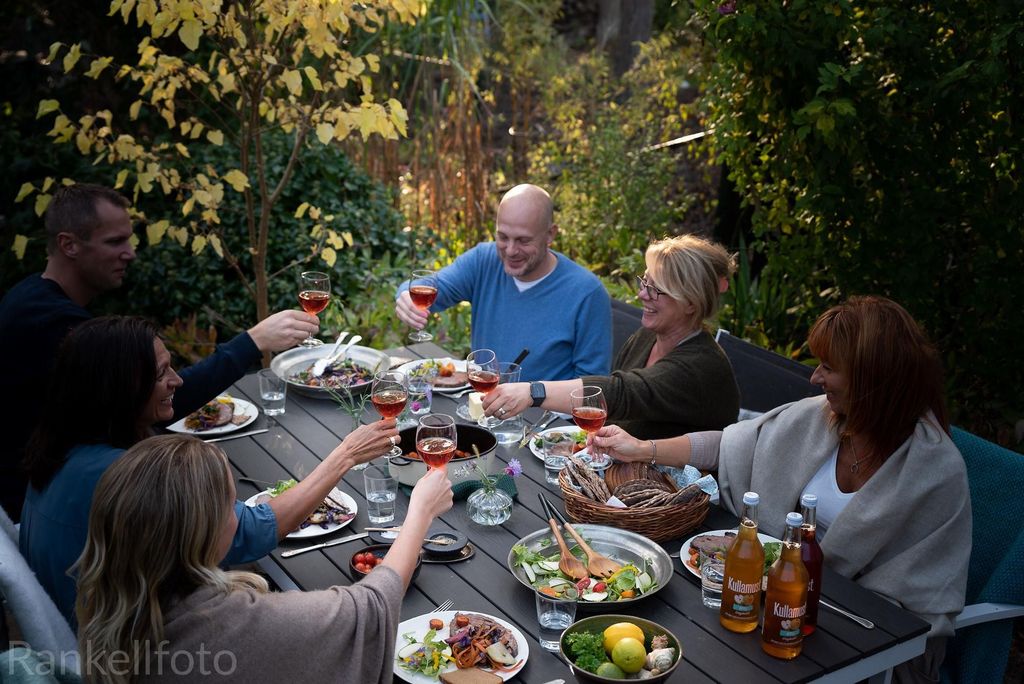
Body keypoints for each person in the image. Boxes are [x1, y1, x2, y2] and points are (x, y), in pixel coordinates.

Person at [592, 296, 970, 682]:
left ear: (872, 380)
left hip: (857, 634)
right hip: (767, 599)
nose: (815, 378)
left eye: (828, 368)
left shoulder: (934, 471)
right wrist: (643, 448)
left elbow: (912, 603)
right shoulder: (821, 417)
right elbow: (730, 445)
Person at [19, 316, 398, 626]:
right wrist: (345, 455)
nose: (178, 381)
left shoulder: (63, 447)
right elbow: (248, 534)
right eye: (161, 374)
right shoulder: (120, 475)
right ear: (117, 390)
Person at [0, 183, 320, 521]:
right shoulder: (54, 325)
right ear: (69, 245)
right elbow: (149, 401)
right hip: (54, 512)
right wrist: (252, 342)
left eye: (129, 240)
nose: (130, 253)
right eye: (114, 242)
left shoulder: (30, 297)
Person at [75, 434, 452, 683]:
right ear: (199, 532)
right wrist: (420, 513)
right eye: (231, 505)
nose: (239, 515)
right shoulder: (230, 627)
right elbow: (368, 610)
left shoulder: (111, 607)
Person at [482, 234, 739, 440]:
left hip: (670, 486)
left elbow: (621, 392)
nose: (642, 295)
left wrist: (533, 392)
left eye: (656, 289)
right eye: (644, 282)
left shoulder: (700, 368)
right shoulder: (648, 336)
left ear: (691, 303)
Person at [394, 184, 612, 381]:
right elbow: (431, 286)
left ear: (550, 235)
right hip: (480, 402)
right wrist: (405, 296)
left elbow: (593, 386)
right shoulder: (483, 261)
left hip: (544, 412)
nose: (510, 250)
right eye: (503, 237)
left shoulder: (586, 293)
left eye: (523, 240)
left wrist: (533, 396)